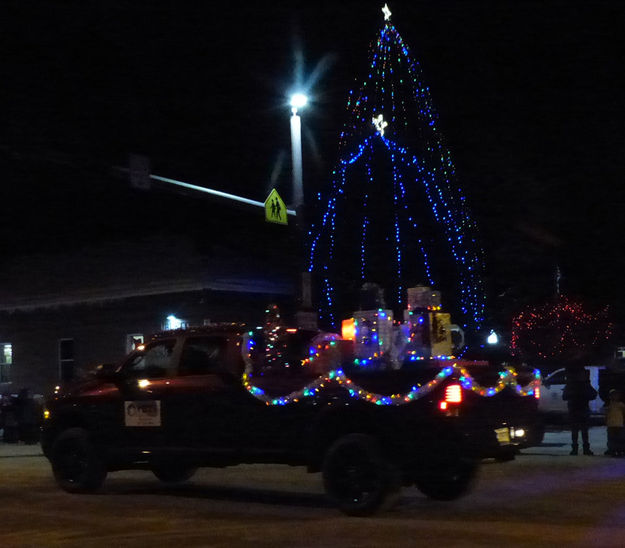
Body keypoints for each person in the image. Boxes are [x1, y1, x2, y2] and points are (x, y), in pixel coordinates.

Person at [562, 367, 597, 455]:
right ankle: (582, 448)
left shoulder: (575, 384)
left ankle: (577, 448)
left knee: (578, 430)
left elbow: (565, 396)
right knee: (581, 430)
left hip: (577, 409)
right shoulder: (580, 384)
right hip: (579, 409)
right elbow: (593, 394)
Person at [605, 389, 625, 456]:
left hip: (619, 424)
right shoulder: (609, 405)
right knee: (612, 438)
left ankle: (619, 450)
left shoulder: (620, 405)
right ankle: (613, 450)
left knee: (618, 438)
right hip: (612, 424)